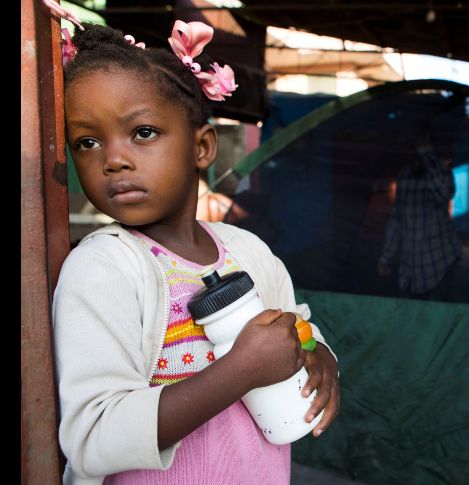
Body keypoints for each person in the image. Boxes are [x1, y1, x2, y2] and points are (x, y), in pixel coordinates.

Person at [49, 12, 339, 485]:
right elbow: (92, 437)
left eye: (142, 132)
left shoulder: (248, 251)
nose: (114, 159)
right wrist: (238, 371)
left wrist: (321, 359)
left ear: (202, 147)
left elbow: (298, 326)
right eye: (87, 141)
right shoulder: (102, 269)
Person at [377, 128, 461, 298]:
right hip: (411, 271)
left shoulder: (441, 175)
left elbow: (444, 192)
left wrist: (426, 151)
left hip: (439, 268)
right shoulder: (405, 175)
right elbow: (396, 220)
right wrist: (386, 258)